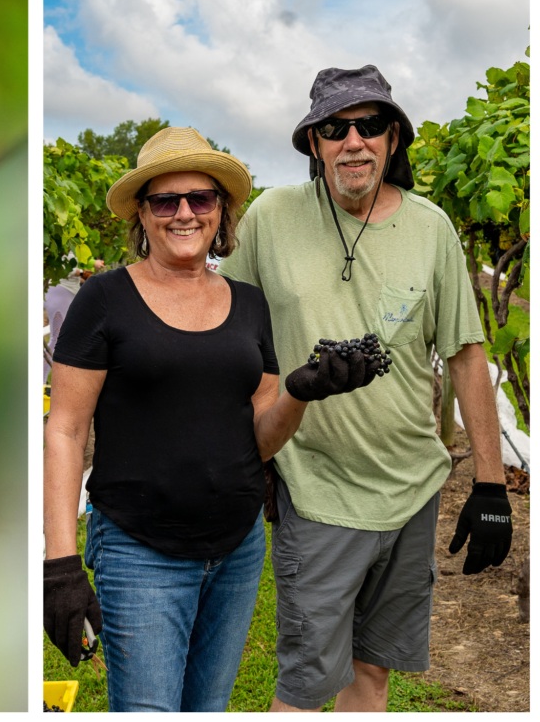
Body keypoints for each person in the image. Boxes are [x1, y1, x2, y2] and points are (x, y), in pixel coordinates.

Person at [43, 127, 384, 712]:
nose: (183, 214)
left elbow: (262, 437)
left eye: (200, 199)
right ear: (143, 216)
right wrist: (60, 562)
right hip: (138, 549)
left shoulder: (250, 304)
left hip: (237, 548)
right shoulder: (103, 299)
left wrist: (300, 392)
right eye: (164, 201)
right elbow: (66, 429)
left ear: (220, 212)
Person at [218, 65, 513, 712]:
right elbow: (226, 330)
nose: (353, 140)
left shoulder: (432, 227)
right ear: (314, 142)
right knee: (303, 688)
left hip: (411, 492)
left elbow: (465, 354)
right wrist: (241, 450)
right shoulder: (270, 218)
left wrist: (491, 483)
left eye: (369, 124)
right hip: (318, 491)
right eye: (335, 127)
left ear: (393, 138)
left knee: (371, 677)